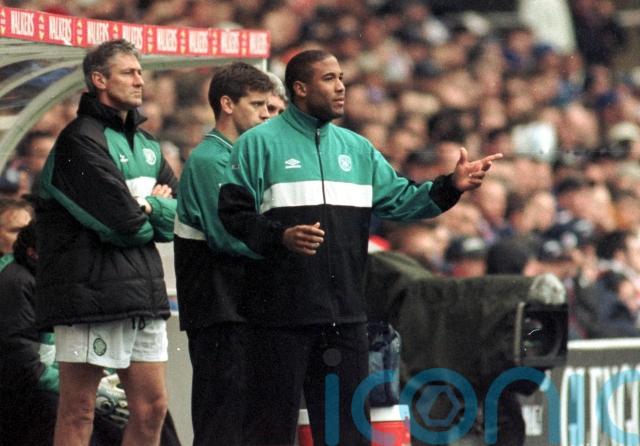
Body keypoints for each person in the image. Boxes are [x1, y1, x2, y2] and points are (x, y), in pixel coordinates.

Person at [218, 49, 502, 446]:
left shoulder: (358, 149)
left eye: (341, 78)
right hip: (278, 318)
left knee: (347, 436)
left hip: (345, 318)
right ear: (300, 88)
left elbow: (403, 200)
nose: (341, 87)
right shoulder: (256, 144)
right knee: (269, 432)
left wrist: (450, 186)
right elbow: (232, 215)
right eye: (329, 78)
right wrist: (280, 237)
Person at [35, 39, 177, 446]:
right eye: (128, 72)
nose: (139, 80)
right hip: (91, 295)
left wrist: (147, 208)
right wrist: (151, 207)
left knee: (152, 409)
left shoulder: (147, 143)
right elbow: (124, 224)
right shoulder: (79, 140)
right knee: (80, 409)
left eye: (140, 72)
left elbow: (179, 215)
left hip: (143, 293)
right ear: (99, 79)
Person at [1, 222, 182, 446]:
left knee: (148, 408)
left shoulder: (57, 280)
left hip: (57, 375)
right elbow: (22, 360)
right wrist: (98, 391)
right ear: (35, 253)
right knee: (82, 411)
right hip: (30, 391)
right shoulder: (17, 282)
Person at [173, 62, 272, 446]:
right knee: (222, 417)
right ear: (227, 104)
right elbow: (229, 235)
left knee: (242, 415)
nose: (265, 114)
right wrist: (284, 244)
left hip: (239, 305)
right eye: (257, 105)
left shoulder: (239, 157)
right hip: (218, 308)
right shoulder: (211, 160)